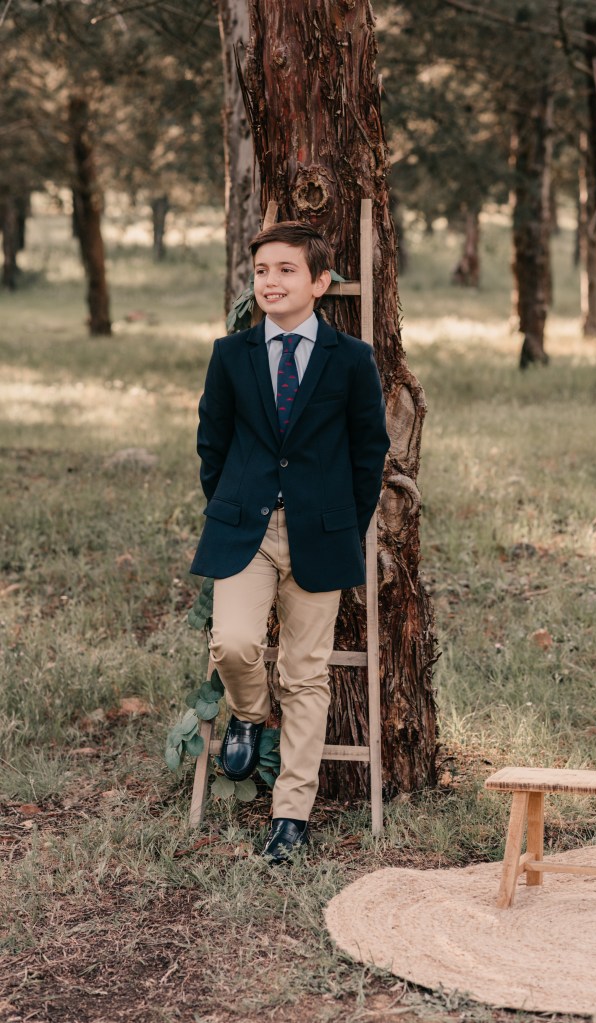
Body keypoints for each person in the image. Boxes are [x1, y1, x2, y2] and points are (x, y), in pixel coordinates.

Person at [190, 221, 390, 863]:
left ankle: (291, 816)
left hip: (320, 533)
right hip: (245, 528)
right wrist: (232, 502)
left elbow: (369, 452)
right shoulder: (232, 354)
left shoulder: (351, 359)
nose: (270, 282)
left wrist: (344, 523)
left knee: (306, 674)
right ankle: (251, 714)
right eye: (261, 271)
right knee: (233, 642)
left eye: (286, 270)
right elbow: (212, 442)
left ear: (320, 282)